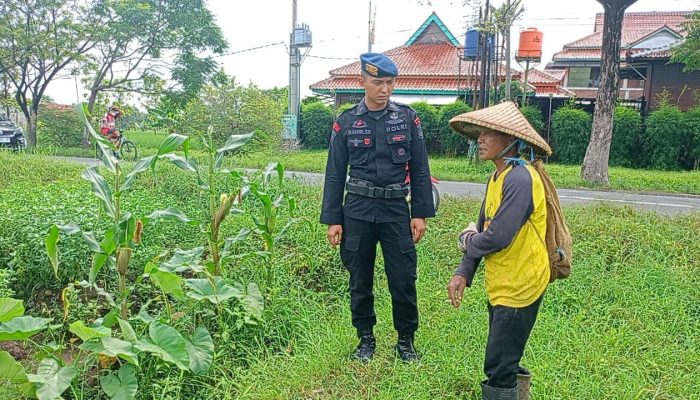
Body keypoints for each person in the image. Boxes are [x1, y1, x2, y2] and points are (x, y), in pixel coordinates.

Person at [320, 53, 435, 362]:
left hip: (396, 209)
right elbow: (334, 172)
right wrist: (333, 218)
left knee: (403, 277)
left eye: (390, 83)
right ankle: (365, 339)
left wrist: (420, 213)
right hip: (356, 211)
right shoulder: (346, 121)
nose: (385, 89)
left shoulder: (407, 118)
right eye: (378, 82)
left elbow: (420, 169)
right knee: (360, 278)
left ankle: (406, 341)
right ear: (363, 82)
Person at [445, 101, 553, 400]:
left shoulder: (520, 178)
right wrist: (463, 272)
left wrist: (466, 239)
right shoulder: (498, 177)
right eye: (479, 133)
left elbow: (495, 238)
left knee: (498, 363)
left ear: (510, 139)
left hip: (522, 283)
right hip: (503, 281)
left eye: (489, 133)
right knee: (506, 355)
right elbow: (482, 227)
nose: (480, 138)